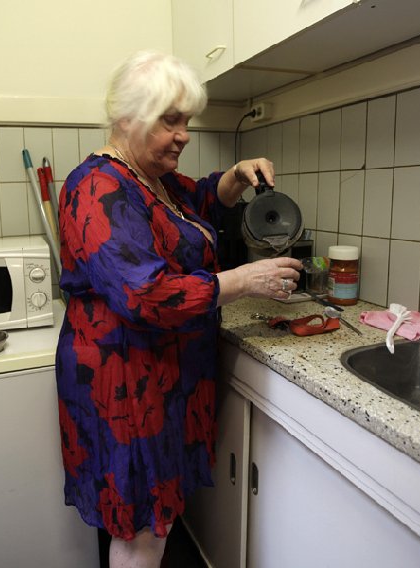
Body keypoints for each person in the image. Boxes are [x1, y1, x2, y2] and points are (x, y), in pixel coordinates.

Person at [55, 50, 302, 568]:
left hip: (161, 378)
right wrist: (241, 280)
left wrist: (237, 174)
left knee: (156, 522)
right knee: (141, 531)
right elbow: (145, 294)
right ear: (129, 117)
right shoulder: (98, 187)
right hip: (127, 383)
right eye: (170, 121)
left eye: (186, 121)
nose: (184, 135)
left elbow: (204, 199)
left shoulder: (153, 180)